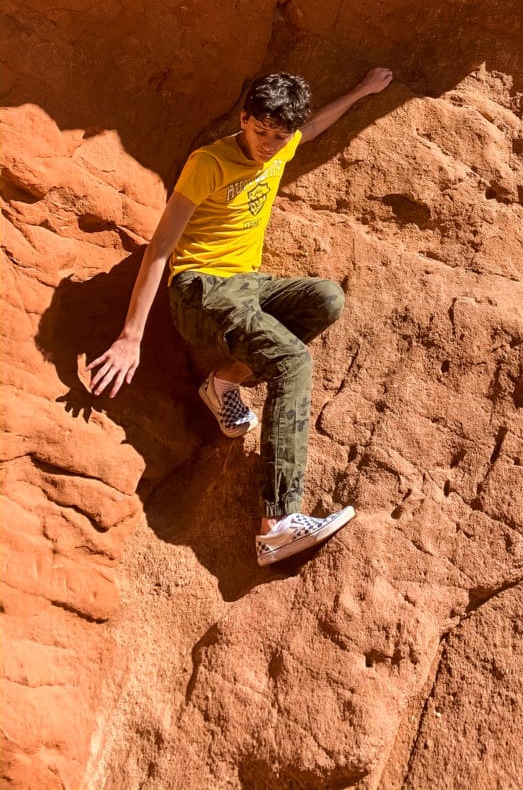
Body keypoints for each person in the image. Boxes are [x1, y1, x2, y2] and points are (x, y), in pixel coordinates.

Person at [89, 68, 393, 566]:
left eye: (278, 136)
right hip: (199, 289)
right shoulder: (208, 163)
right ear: (245, 118)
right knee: (293, 362)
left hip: (249, 285)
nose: (269, 145)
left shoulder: (285, 142)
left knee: (326, 298)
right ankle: (277, 524)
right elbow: (161, 248)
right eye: (261, 131)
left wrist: (361, 91)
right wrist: (131, 336)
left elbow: (312, 128)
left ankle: (224, 385)